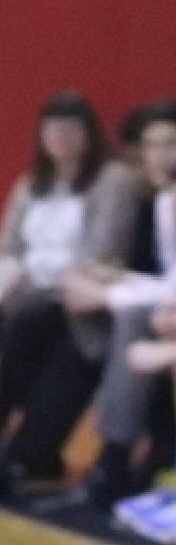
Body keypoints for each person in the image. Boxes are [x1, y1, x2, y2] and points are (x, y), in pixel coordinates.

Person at [0, 91, 141, 499]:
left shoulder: (111, 182)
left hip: (68, 303)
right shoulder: (30, 185)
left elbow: (101, 254)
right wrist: (5, 273)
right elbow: (2, 251)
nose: (60, 138)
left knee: (25, 318)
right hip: (23, 294)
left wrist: (43, 282)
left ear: (89, 134)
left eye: (70, 129)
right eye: (52, 130)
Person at [62, 100, 176, 507]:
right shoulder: (165, 202)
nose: (164, 156)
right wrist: (114, 281)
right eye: (153, 146)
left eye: (172, 144)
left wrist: (111, 294)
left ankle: (115, 458)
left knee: (132, 319)